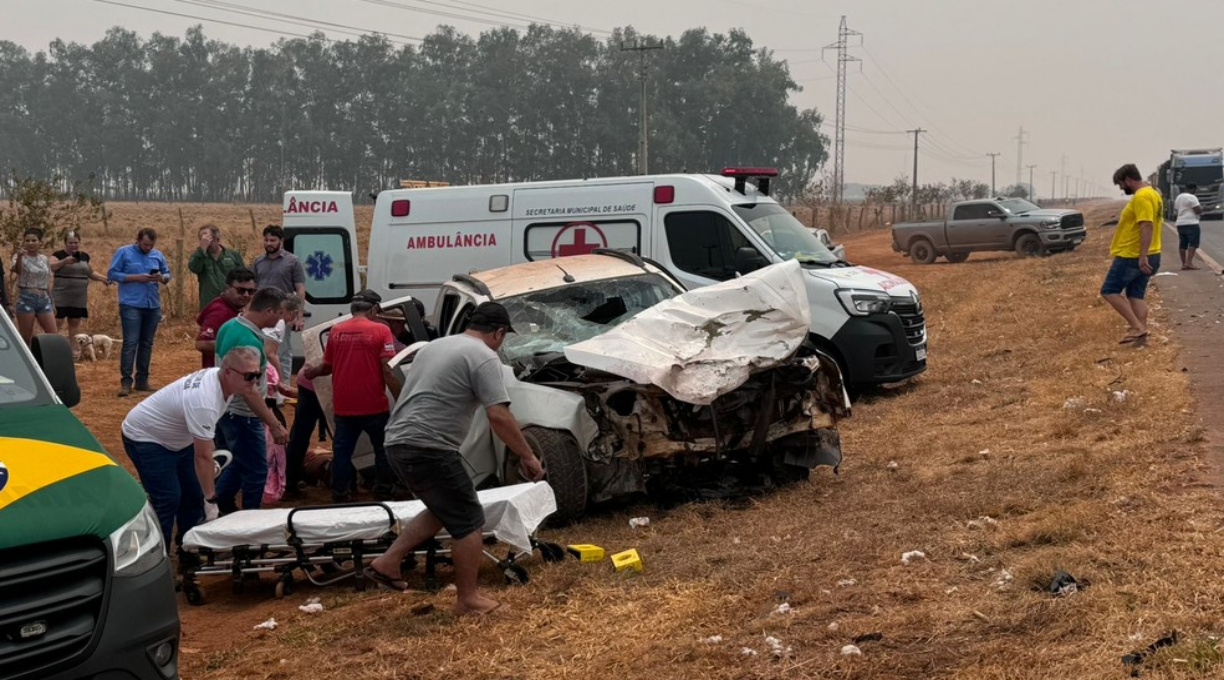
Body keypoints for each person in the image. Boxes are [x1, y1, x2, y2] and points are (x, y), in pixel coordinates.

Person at [367, 302, 544, 615]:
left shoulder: (434, 347)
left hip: (397, 441)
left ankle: (388, 561)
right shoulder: (484, 356)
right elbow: (498, 414)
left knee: (443, 508)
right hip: (428, 446)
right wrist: (527, 455)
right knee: (469, 519)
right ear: (499, 332)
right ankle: (469, 599)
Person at [120, 346, 263, 547]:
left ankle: (189, 548)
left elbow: (204, 450)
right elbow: (203, 456)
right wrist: (211, 501)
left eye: (258, 374)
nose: (255, 381)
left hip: (178, 439)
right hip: (146, 437)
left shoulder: (225, 382)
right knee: (168, 498)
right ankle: (156, 558)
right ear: (228, 372)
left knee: (193, 495)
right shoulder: (204, 401)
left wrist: (204, 496)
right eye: (249, 376)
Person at [301, 290, 402, 502]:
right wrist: (401, 397)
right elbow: (388, 369)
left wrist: (313, 372)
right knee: (382, 450)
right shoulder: (381, 331)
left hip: (344, 407)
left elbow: (327, 366)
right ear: (373, 309)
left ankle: (341, 494)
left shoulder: (337, 331)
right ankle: (383, 491)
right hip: (374, 404)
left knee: (342, 453)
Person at [212, 288, 290, 513]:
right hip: (243, 413)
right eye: (279, 313)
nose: (280, 319)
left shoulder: (230, 325)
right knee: (256, 470)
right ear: (268, 310)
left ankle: (220, 506)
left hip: (226, 407)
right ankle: (249, 521)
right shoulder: (248, 342)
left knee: (238, 463)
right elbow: (249, 391)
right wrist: (274, 424)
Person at [1103, 164, 1163, 345]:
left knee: (1109, 291)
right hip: (1152, 252)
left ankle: (1137, 327)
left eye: (1121, 184)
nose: (1122, 188)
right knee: (1136, 294)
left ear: (1128, 180)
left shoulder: (1142, 197)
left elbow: (1146, 225)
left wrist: (1142, 256)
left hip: (1133, 255)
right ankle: (1141, 340)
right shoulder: (1154, 194)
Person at [108, 228, 171, 396]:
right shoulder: (123, 252)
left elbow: (167, 273)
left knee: (146, 344)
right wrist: (137, 277)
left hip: (152, 305)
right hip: (131, 303)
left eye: (151, 245)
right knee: (130, 343)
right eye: (145, 244)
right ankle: (126, 382)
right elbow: (112, 273)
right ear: (137, 240)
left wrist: (161, 278)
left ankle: (142, 380)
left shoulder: (157, 255)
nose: (148, 248)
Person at [251, 225, 305, 379]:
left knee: (283, 352)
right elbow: (253, 288)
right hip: (261, 312)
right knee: (260, 349)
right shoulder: (257, 261)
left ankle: (284, 386)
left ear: (280, 241)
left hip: (283, 313)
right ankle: (265, 384)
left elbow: (300, 289)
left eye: (273, 240)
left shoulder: (292, 261)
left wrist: (299, 316)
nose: (269, 243)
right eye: (266, 240)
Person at [50, 230, 113, 344]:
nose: (74, 245)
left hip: (78, 296)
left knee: (74, 322)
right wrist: (64, 261)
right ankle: (52, 348)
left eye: (76, 242)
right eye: (71, 243)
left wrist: (104, 279)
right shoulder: (58, 255)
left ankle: (73, 350)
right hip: (61, 295)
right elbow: (51, 267)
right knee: (57, 322)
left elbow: (90, 272)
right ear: (65, 243)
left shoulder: (84, 256)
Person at [260, 326, 295, 505]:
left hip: (268, 414)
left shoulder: (267, 368)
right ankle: (268, 489)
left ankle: (272, 486)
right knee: (268, 452)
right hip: (265, 416)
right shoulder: (262, 369)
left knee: (273, 453)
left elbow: (283, 389)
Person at [195, 267, 256, 368]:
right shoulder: (219, 312)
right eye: (241, 290)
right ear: (227, 288)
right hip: (220, 374)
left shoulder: (235, 307)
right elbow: (202, 343)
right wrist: (241, 346)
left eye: (250, 291)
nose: (246, 295)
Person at [9, 228, 57, 347]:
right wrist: (20, 257)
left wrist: (52, 301)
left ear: (40, 242)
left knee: (53, 334)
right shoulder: (19, 257)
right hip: (26, 298)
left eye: (34, 240)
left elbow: (46, 281)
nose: (30, 243)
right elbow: (18, 270)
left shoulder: (44, 259)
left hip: (43, 298)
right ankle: (26, 361)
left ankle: (47, 360)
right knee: (26, 337)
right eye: (27, 240)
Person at [188, 224, 246, 311]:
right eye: (202, 240)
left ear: (217, 239)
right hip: (209, 305)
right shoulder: (199, 256)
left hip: (231, 305)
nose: (206, 242)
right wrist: (201, 251)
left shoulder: (233, 255)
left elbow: (243, 278)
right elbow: (194, 268)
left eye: (208, 239)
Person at [1173, 183, 1204, 270]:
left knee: (1183, 244)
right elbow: (1197, 210)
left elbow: (1176, 209)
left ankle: (1183, 264)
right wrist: (1202, 209)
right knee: (1193, 243)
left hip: (1180, 223)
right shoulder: (1192, 197)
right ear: (1193, 189)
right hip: (1191, 223)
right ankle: (1189, 263)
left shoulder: (1178, 197)